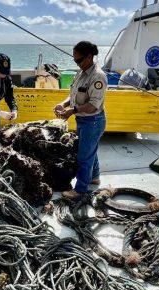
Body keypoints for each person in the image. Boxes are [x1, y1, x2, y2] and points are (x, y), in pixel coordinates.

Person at [54, 41, 107, 199]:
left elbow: (93, 105)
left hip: (93, 121)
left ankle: (80, 190)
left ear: (89, 57)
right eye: (74, 60)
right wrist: (62, 104)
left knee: (84, 156)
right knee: (90, 150)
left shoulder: (98, 76)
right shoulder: (81, 72)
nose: (77, 63)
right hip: (83, 121)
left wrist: (72, 111)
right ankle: (94, 177)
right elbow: (74, 95)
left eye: (79, 60)